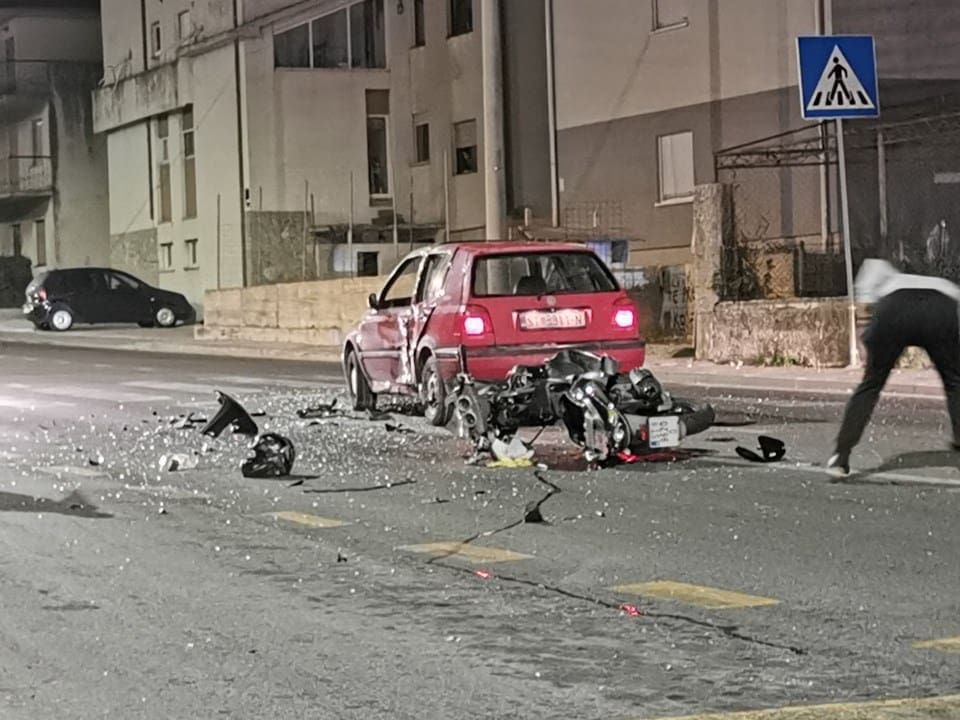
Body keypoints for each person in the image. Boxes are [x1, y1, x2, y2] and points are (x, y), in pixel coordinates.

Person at [827, 259, 960, 477]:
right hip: (940, 307)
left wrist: (863, 333)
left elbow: (867, 284)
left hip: (894, 308)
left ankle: (840, 456)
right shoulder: (946, 278)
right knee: (955, 382)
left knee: (871, 383)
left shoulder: (885, 269)